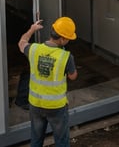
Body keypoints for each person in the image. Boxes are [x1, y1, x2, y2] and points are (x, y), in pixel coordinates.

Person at [19, 17, 78, 147]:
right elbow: (73, 76)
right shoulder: (66, 57)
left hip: (35, 104)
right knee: (61, 141)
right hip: (56, 107)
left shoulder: (34, 50)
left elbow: (22, 43)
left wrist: (32, 29)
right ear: (62, 39)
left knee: (36, 140)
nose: (68, 41)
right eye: (68, 38)